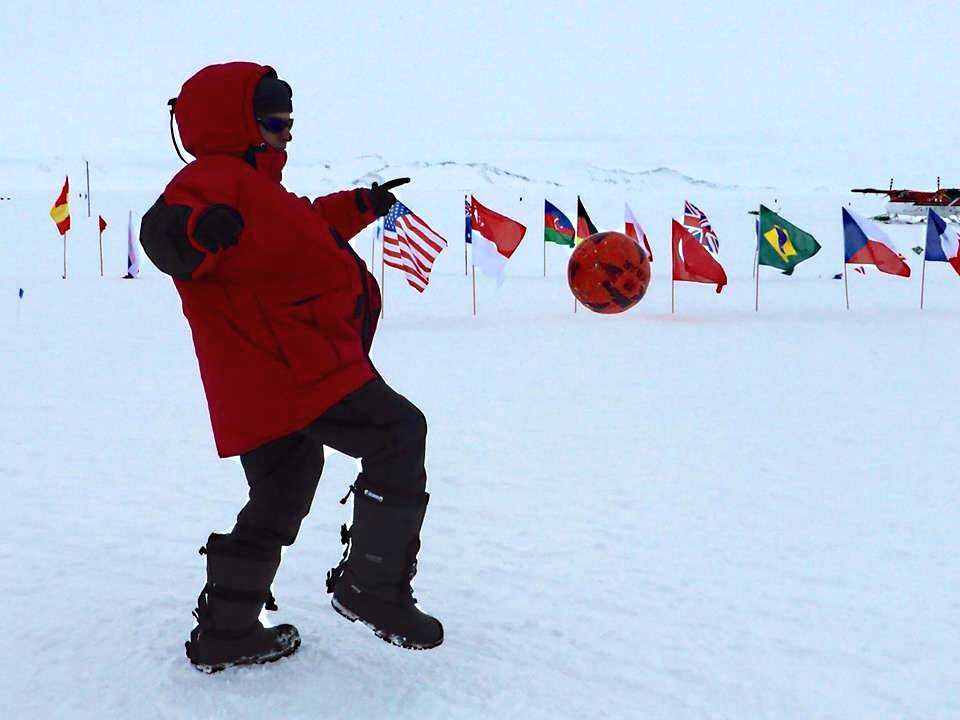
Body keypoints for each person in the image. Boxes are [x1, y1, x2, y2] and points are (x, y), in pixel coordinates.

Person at [139, 61, 443, 673]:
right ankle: (371, 588)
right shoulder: (214, 179)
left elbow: (307, 223)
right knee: (399, 433)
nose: (287, 133)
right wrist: (199, 231)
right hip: (295, 368)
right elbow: (162, 232)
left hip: (263, 381)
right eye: (275, 120)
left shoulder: (258, 189)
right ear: (241, 124)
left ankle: (227, 629)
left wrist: (362, 203)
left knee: (283, 488)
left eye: (289, 121)